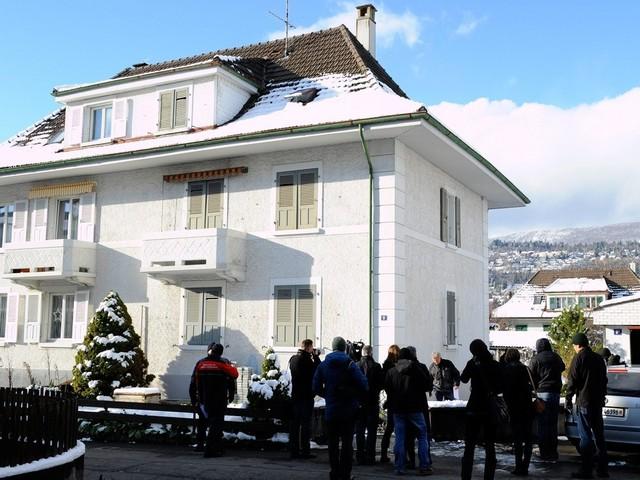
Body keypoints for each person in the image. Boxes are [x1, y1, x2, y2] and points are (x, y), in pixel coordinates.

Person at [313, 336, 368, 480]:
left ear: (332, 347)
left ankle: (334, 472)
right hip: (349, 410)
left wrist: (327, 395)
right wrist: (353, 394)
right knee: (347, 444)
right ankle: (345, 474)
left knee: (332, 443)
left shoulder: (324, 365)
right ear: (345, 348)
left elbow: (315, 386)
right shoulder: (350, 364)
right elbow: (364, 384)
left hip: (332, 410)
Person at [566, 333, 608, 479]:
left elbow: (572, 380)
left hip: (583, 402)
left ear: (578, 345)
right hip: (597, 403)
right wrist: (602, 398)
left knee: (585, 437)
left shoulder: (578, 358)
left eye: (573, 345)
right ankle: (603, 470)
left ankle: (586, 470)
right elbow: (604, 381)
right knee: (599, 436)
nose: (574, 347)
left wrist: (568, 398)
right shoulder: (598, 359)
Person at [385, 347, 433, 476]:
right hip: (415, 408)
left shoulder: (391, 372)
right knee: (422, 437)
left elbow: (388, 390)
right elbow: (427, 385)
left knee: (400, 438)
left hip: (398, 410)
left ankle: (399, 466)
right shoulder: (416, 370)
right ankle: (424, 466)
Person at [460, 339, 503, 480]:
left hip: (474, 408)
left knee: (470, 445)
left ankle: (466, 476)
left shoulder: (472, 363)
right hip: (489, 408)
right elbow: (499, 388)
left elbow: (464, 378)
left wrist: (472, 363)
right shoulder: (495, 365)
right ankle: (488, 477)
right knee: (490, 445)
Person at [189, 342, 239, 457]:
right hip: (218, 400)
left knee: (202, 422)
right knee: (216, 425)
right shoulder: (224, 364)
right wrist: (231, 395)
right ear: (221, 352)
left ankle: (201, 445)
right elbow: (232, 378)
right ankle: (212, 449)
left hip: (203, 399)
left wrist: (193, 398)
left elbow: (193, 382)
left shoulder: (200, 364)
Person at [528, 338, 565, 461]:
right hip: (556, 393)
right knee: (552, 424)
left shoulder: (536, 359)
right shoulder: (556, 357)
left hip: (542, 394)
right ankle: (553, 451)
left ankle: (544, 452)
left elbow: (530, 376)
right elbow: (563, 367)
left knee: (543, 424)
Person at [502, 348, 534, 476]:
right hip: (527, 406)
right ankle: (525, 466)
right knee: (528, 438)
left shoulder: (506, 370)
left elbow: (505, 389)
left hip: (514, 408)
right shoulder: (525, 368)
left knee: (517, 439)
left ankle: (518, 466)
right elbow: (533, 384)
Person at [289, 338, 321, 459]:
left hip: (295, 396)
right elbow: (317, 370)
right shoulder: (307, 361)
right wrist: (316, 357)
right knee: (306, 425)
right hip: (306, 397)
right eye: (312, 348)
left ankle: (294, 450)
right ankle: (305, 451)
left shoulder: (293, 359)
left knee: (295, 425)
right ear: (308, 347)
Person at [404, 346, 433, 470]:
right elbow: (428, 385)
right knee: (423, 435)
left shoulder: (401, 368)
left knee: (409, 436)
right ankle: (426, 460)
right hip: (420, 404)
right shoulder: (422, 367)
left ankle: (411, 460)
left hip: (406, 404)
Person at [355, 345, 383, 465]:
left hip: (359, 402)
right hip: (372, 402)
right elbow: (381, 384)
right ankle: (370, 456)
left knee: (360, 430)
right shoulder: (377, 367)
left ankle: (360, 455)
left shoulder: (356, 366)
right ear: (371, 353)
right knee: (371, 431)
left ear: (362, 353)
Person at [380, 344, 400, 464]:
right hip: (398, 399)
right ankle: (400, 455)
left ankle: (383, 453)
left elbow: (385, 384)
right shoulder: (398, 366)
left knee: (389, 428)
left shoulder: (385, 365)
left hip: (391, 399)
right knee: (400, 428)